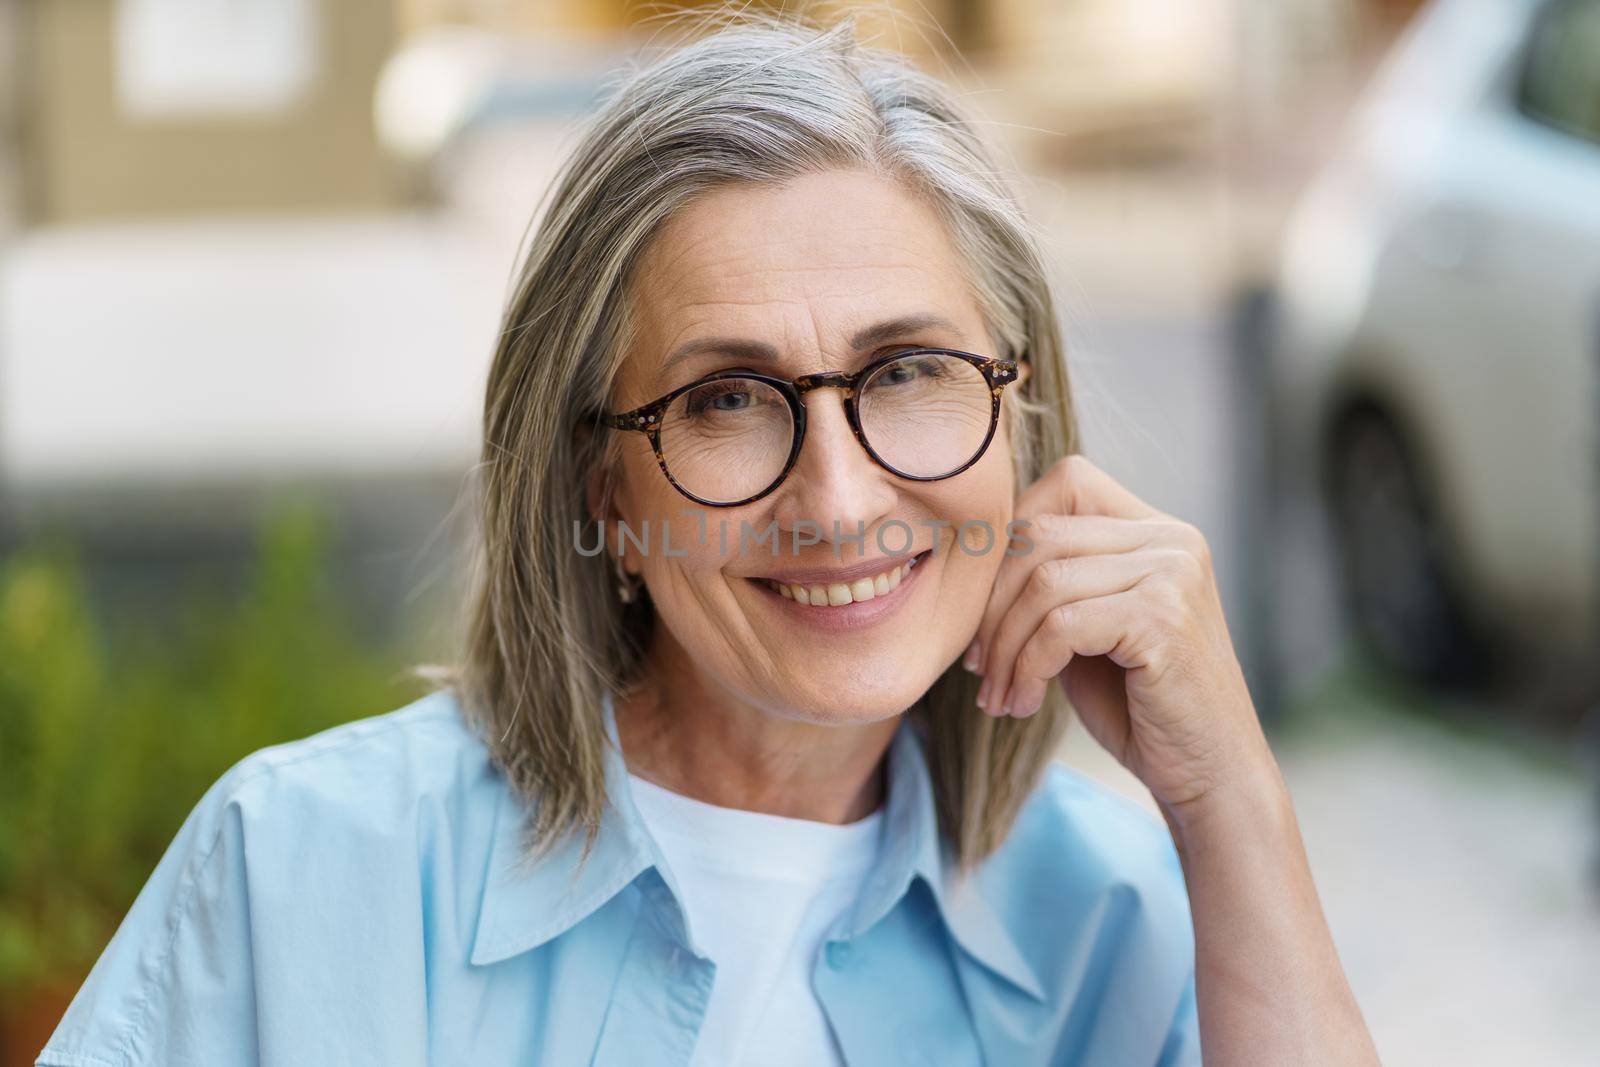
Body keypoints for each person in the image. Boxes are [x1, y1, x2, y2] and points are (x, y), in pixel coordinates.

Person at [38, 11, 1380, 1067]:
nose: (842, 500)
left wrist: (1235, 811)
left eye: (908, 370)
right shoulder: (302, 875)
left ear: (1018, 423)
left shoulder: (1120, 914)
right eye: (726, 399)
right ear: (598, 491)